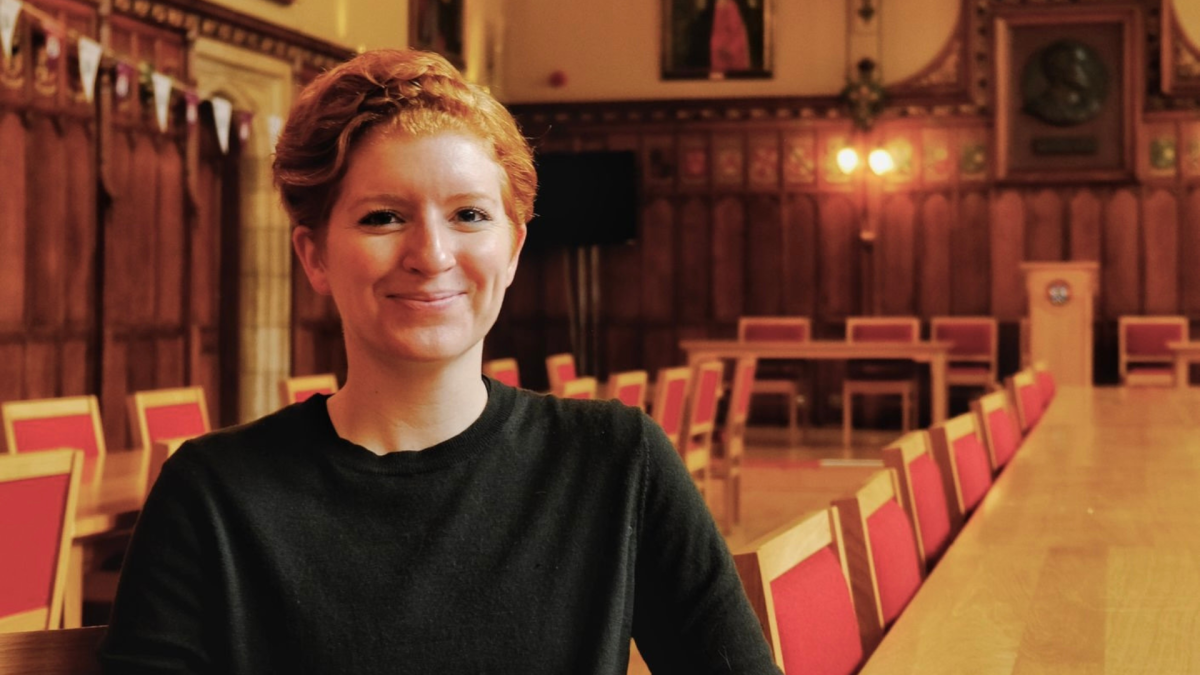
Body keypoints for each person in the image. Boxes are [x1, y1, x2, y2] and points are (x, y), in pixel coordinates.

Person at [99, 49, 780, 674]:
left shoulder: (618, 461)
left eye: (469, 215)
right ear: (314, 256)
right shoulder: (211, 496)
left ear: (512, 249)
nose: (431, 254)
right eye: (382, 217)